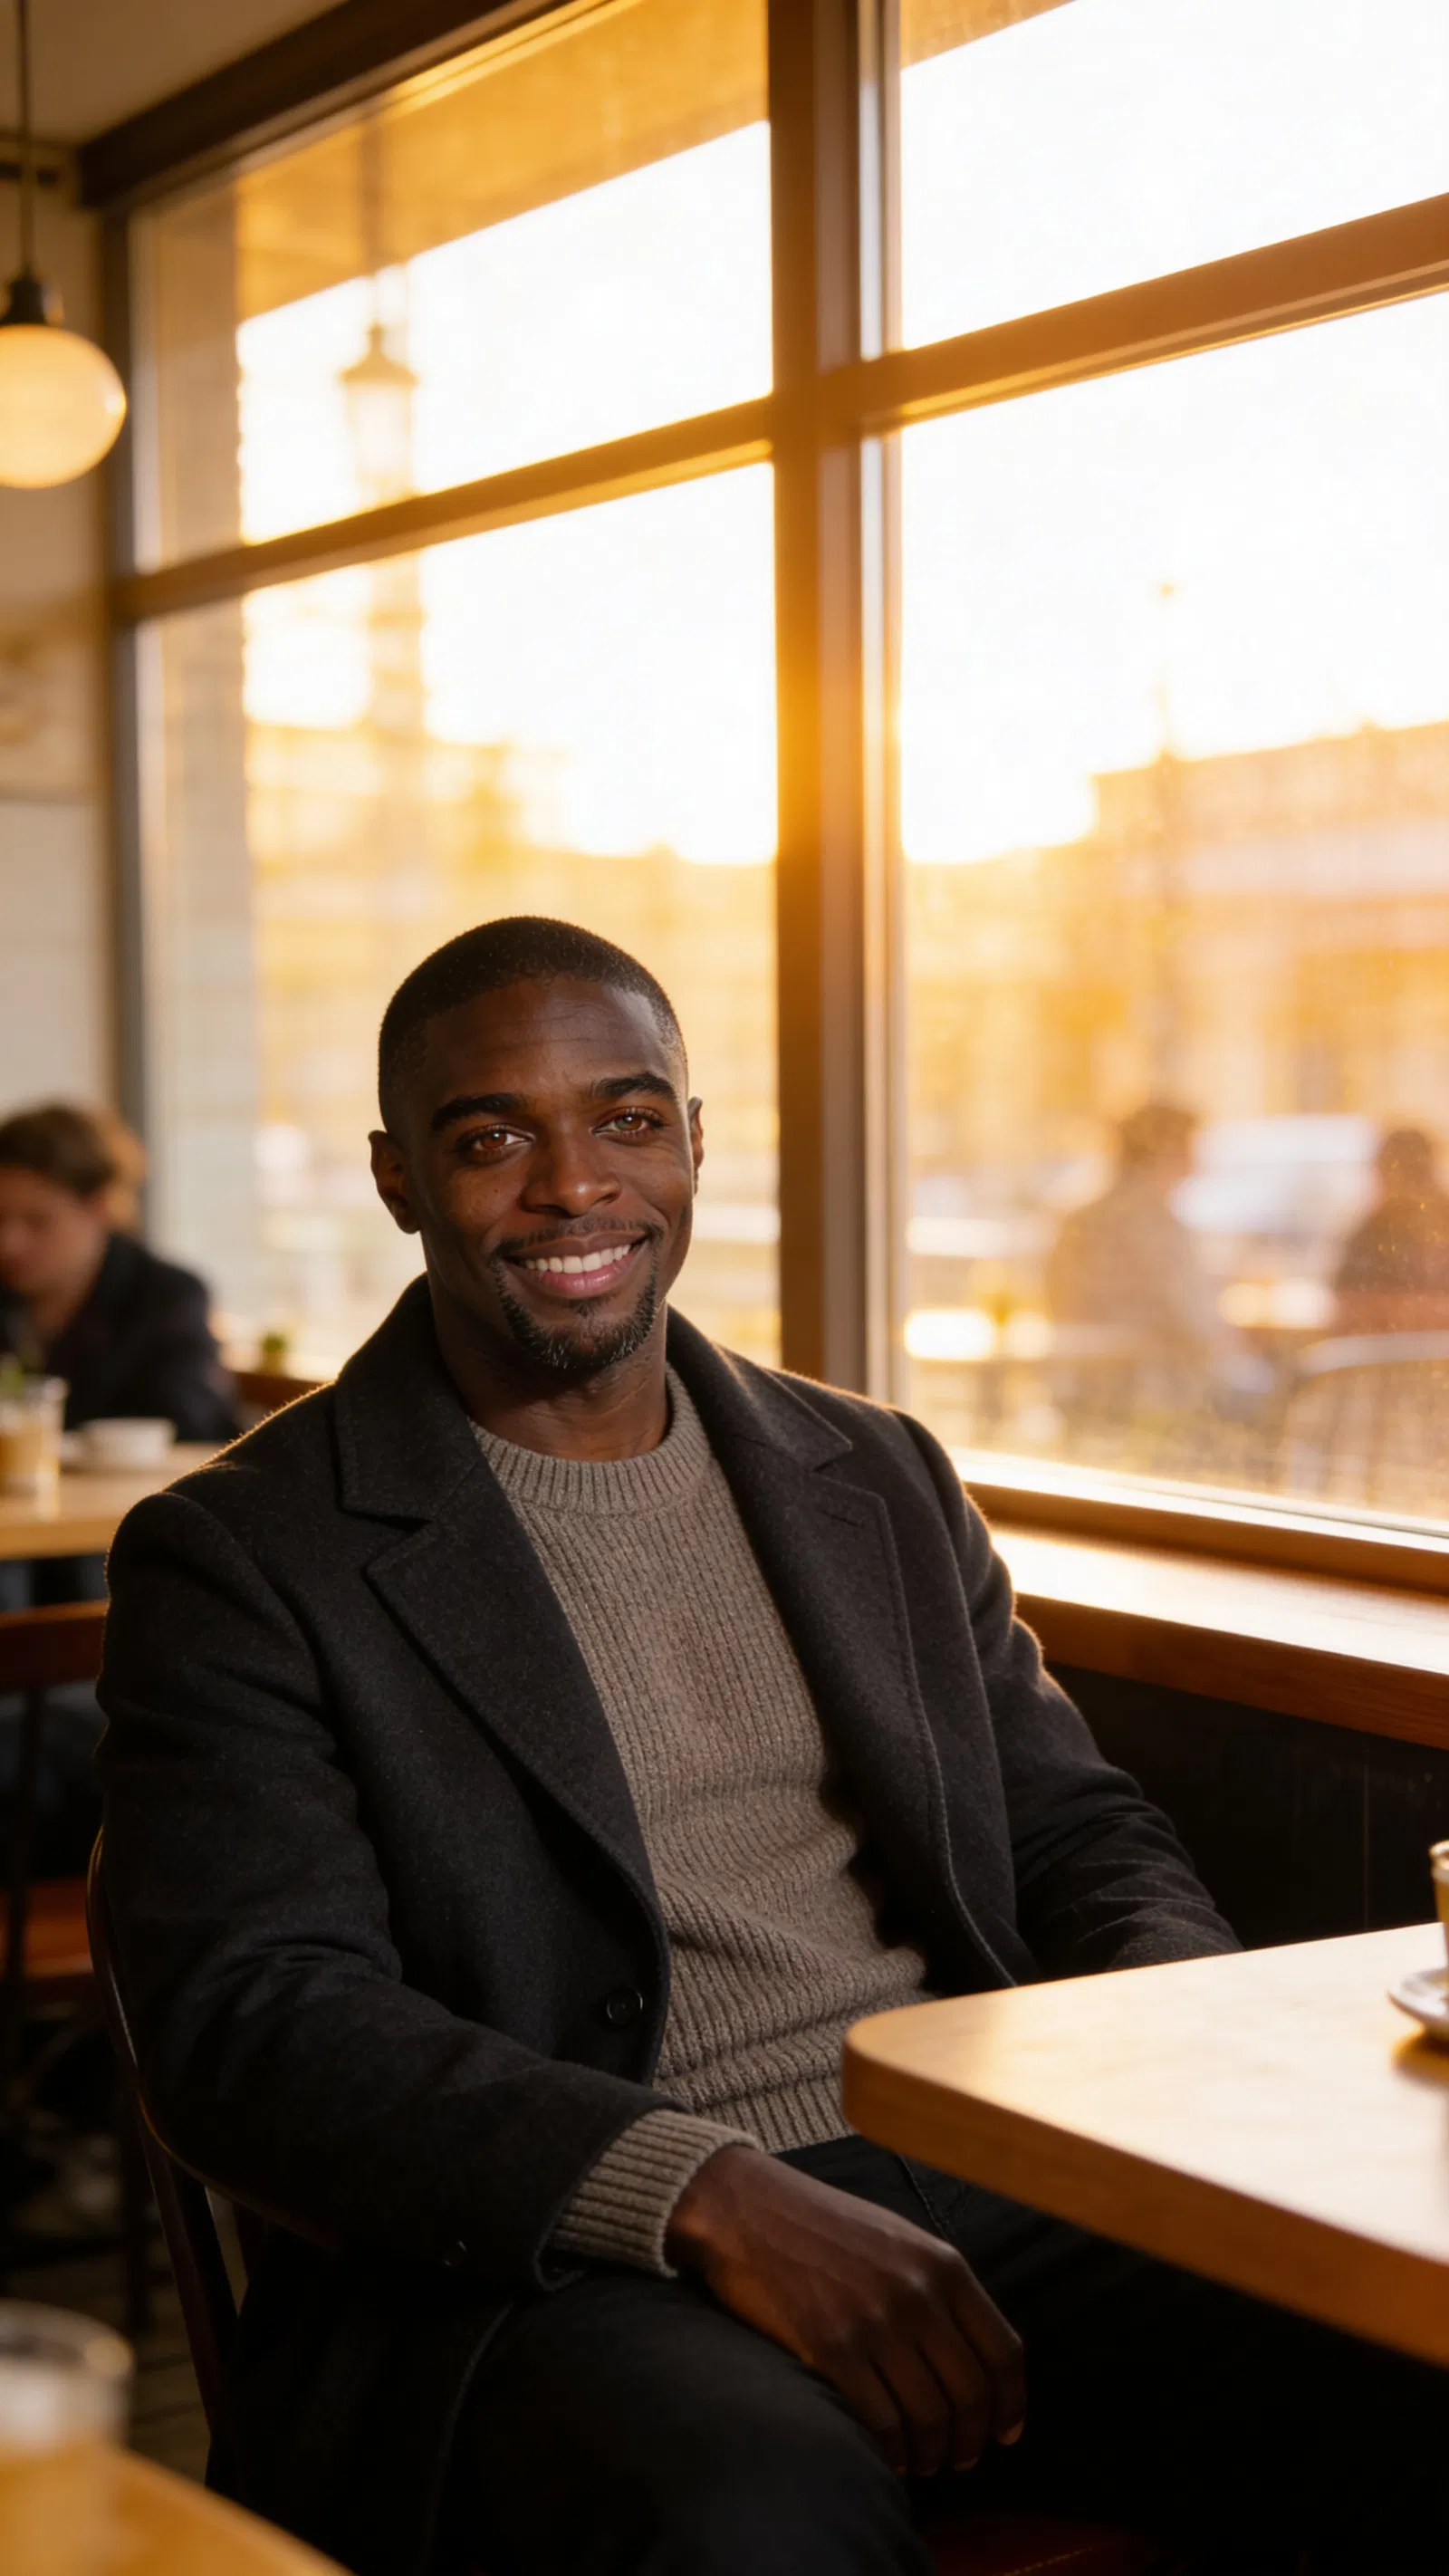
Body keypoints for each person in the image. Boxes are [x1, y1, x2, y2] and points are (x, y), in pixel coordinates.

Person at [97, 922, 1449, 2576]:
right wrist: (710, 2191)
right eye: (492, 1135)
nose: (574, 1185)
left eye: (628, 1117)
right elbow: (257, 2021)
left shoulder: (873, 1469)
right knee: (751, 2517)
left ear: (694, 1140)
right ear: (395, 1177)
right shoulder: (240, 1553)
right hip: (576, 2250)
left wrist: (1167, 2111)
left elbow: (1084, 1835)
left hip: (996, 2158)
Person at [0, 1101, 237, 1452]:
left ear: (100, 1207)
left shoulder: (166, 1297)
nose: (9, 1244)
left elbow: (185, 1427)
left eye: (37, 1221)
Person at [1333, 1127, 1449, 1334]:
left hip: (1381, 1358)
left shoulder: (1369, 1233)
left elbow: (1345, 1307)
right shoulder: (1370, 1232)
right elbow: (1345, 1306)